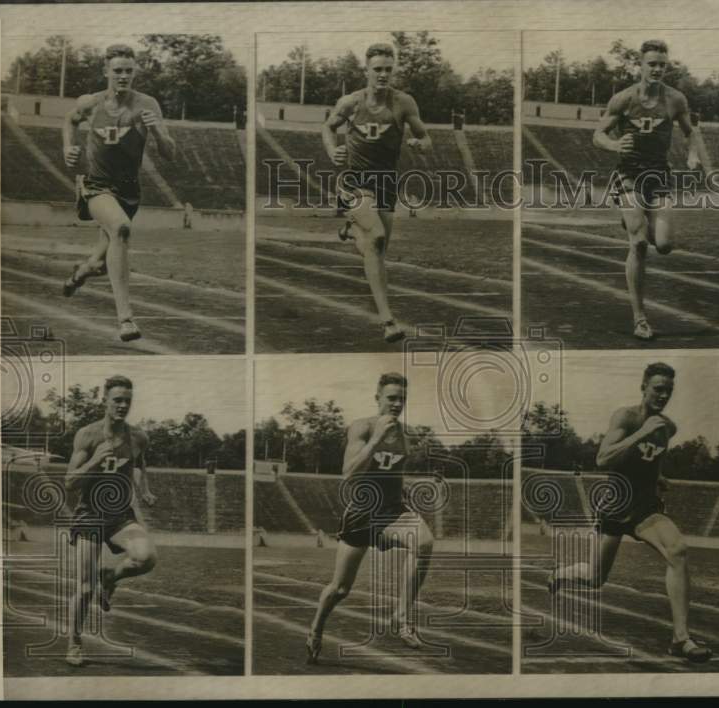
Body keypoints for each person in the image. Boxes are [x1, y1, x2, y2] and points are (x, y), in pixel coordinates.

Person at [547, 362, 712, 663]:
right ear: (643, 387)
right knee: (596, 579)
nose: (663, 396)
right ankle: (562, 574)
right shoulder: (626, 417)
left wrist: (658, 477)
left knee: (678, 550)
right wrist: (641, 433)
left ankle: (681, 638)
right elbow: (602, 458)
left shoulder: (668, 428)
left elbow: (654, 459)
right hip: (615, 509)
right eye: (658, 389)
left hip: (645, 511)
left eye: (669, 392)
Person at [305, 372, 435, 662]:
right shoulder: (361, 428)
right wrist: (376, 438)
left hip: (392, 512)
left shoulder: (405, 434)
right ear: (377, 398)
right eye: (391, 398)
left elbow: (393, 473)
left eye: (402, 399)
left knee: (424, 542)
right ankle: (316, 628)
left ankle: (401, 617)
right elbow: (349, 472)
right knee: (340, 589)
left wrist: (405, 490)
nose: (397, 404)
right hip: (362, 514)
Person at [61, 44, 176, 343]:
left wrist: (160, 133)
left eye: (128, 70)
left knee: (102, 260)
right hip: (96, 186)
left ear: (135, 72)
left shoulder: (148, 105)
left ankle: (81, 273)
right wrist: (67, 148)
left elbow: (170, 154)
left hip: (129, 191)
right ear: (106, 72)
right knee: (121, 229)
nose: (123, 76)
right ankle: (125, 319)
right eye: (117, 71)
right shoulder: (91, 103)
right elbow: (69, 121)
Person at [322, 43, 433, 344]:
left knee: (377, 248)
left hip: (385, 183)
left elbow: (425, 138)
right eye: (377, 69)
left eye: (388, 69)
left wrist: (420, 145)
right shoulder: (350, 103)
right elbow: (328, 127)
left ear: (393, 69)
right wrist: (333, 150)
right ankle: (388, 321)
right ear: (367, 71)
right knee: (378, 237)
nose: (383, 74)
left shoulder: (404, 103)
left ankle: (352, 230)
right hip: (352, 182)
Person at [593, 40, 701, 341]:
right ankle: (640, 319)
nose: (657, 69)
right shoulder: (624, 99)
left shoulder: (676, 99)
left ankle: (634, 219)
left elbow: (691, 133)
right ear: (640, 65)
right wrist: (615, 144)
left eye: (661, 64)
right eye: (651, 63)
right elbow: (598, 134)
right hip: (628, 175)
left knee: (664, 244)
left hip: (659, 176)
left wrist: (692, 155)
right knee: (639, 244)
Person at [64, 375, 157, 667]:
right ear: (104, 401)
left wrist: (143, 490)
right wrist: (94, 461)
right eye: (117, 399)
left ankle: (110, 578)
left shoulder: (139, 437)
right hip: (89, 516)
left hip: (119, 517)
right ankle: (74, 643)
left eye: (127, 400)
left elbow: (138, 463)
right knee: (85, 588)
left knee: (146, 557)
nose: (123, 405)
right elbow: (69, 482)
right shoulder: (87, 435)